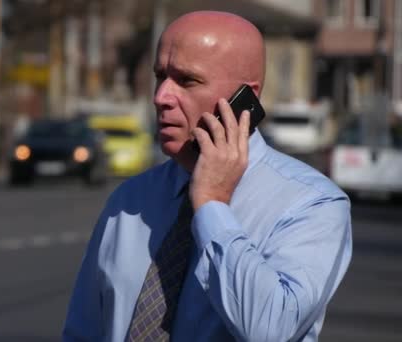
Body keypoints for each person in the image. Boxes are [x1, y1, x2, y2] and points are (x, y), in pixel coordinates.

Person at [62, 11, 352, 342]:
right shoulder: (130, 200)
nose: (161, 97)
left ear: (247, 98)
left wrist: (213, 205)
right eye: (160, 76)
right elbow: (83, 332)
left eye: (187, 80)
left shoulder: (312, 203)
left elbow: (273, 330)